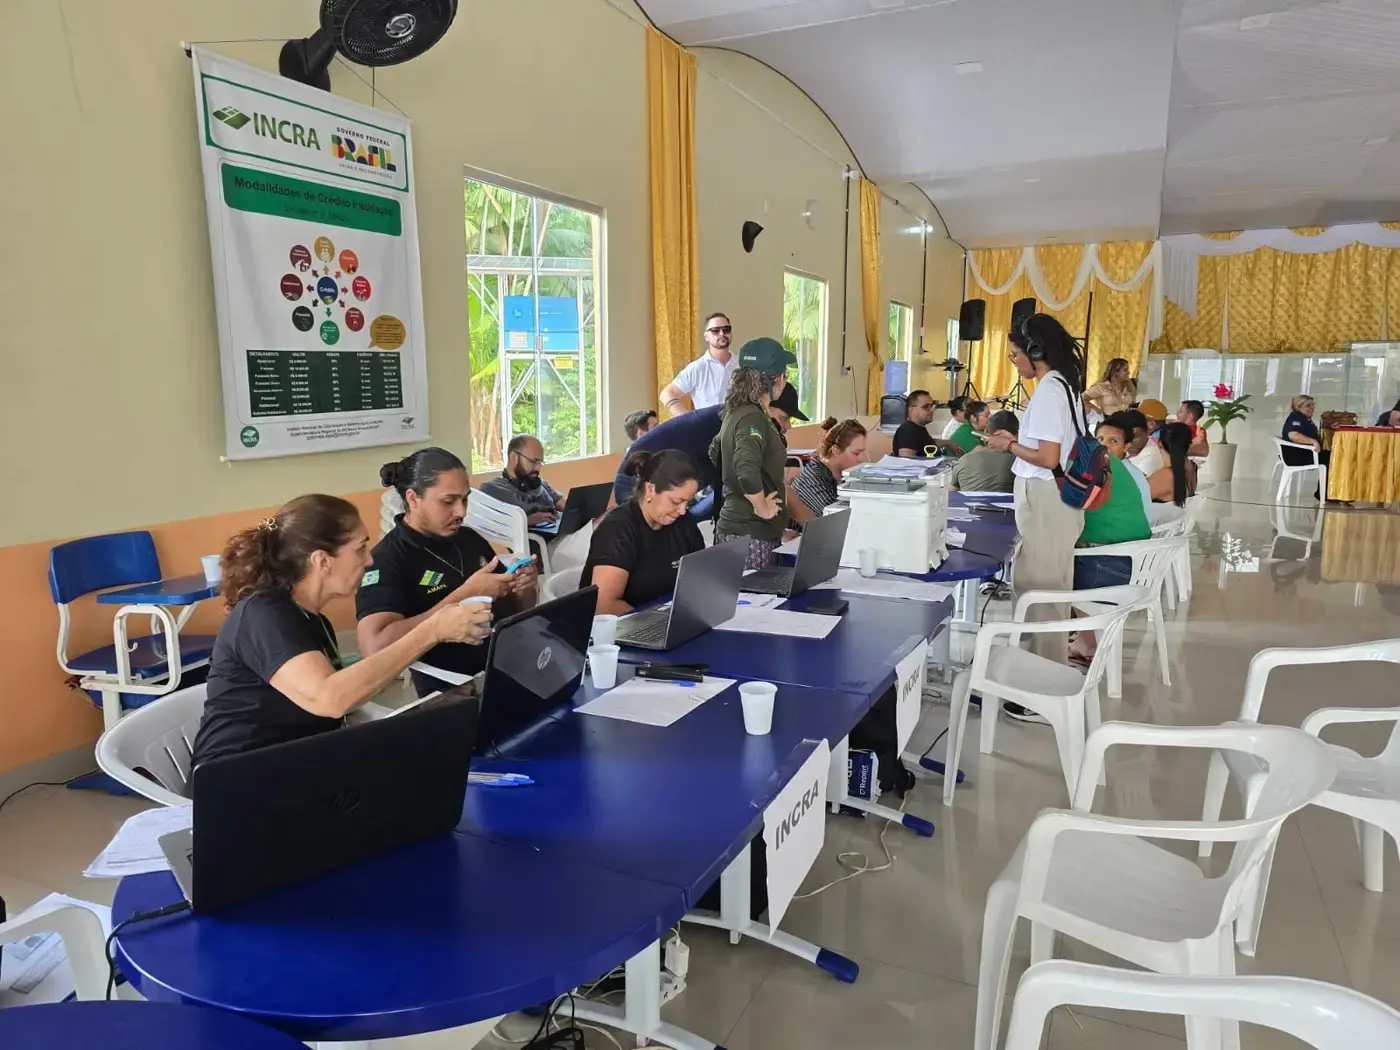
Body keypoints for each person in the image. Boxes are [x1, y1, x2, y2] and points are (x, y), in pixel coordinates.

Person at [191, 494, 492, 766]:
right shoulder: (262, 614)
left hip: (297, 764)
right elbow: (330, 699)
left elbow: (347, 694)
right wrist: (431, 631)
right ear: (322, 561)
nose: (369, 558)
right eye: (360, 548)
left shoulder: (312, 618)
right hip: (236, 781)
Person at [358, 448, 537, 697]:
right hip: (452, 687)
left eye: (465, 499)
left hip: (509, 666)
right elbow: (374, 648)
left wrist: (525, 587)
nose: (461, 512)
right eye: (448, 501)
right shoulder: (387, 561)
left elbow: (520, 608)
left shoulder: (468, 538)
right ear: (413, 499)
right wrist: (465, 594)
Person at [983, 313, 1087, 671]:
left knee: (1040, 594)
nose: (1015, 363)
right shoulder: (1065, 386)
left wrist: (1009, 446)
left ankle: (1043, 681)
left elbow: (1046, 457)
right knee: (1043, 588)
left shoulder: (1048, 392)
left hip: (1045, 497)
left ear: (1035, 351)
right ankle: (1035, 670)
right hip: (1058, 499)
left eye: (1015, 355)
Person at [1067, 423, 1151, 667]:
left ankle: (1087, 642)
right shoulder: (1105, 460)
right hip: (1135, 558)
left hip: (1107, 562)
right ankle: (1085, 637)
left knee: (1052, 563)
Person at [581, 450, 706, 615]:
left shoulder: (682, 521)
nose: (682, 511)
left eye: (688, 503)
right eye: (676, 501)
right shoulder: (617, 529)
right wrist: (657, 622)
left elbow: (701, 576)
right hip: (618, 628)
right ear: (650, 490)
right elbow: (605, 605)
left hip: (664, 618)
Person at [710, 337, 795, 569]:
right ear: (775, 379)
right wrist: (760, 505)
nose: (785, 381)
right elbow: (746, 468)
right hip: (749, 533)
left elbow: (714, 451)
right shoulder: (752, 417)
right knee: (751, 601)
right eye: (785, 375)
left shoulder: (738, 411)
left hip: (743, 530)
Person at [789, 418, 867, 525]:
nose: (862, 459)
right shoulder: (813, 478)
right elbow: (836, 521)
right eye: (856, 453)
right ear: (836, 450)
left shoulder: (840, 474)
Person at [479, 434, 566, 525]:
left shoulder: (541, 485)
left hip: (558, 532)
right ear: (514, 457)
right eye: (533, 461)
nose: (538, 468)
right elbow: (485, 526)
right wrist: (527, 520)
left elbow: (569, 507)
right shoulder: (491, 489)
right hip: (530, 537)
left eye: (540, 462)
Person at [659, 311, 734, 416]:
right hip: (710, 430)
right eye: (715, 331)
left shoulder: (742, 364)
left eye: (726, 329)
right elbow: (666, 394)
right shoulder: (697, 368)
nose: (721, 333)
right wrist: (690, 421)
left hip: (741, 429)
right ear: (706, 336)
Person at [1097, 412, 1153, 518]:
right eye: (1100, 439)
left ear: (1126, 446)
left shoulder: (1131, 475)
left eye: (1113, 441)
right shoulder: (1098, 469)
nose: (1104, 445)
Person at [949, 410, 1016, 493]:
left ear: (986, 433)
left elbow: (951, 492)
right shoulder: (1018, 462)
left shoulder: (964, 459)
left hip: (970, 504)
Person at [1281, 394, 1331, 501]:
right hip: (1296, 456)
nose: (1312, 408)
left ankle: (1327, 493)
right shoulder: (1296, 417)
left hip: (1302, 453)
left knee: (1330, 455)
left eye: (1313, 405)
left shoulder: (1304, 418)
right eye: (1308, 406)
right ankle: (1324, 494)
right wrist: (1313, 442)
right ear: (1299, 407)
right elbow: (1293, 435)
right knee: (1331, 459)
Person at [893, 390, 963, 458]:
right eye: (926, 407)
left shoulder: (918, 428)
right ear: (912, 410)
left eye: (932, 406)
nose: (932, 410)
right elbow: (907, 464)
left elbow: (926, 444)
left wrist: (947, 443)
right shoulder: (908, 430)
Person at [1149, 422, 1196, 507]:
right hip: (1177, 518)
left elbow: (1129, 498)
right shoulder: (1192, 467)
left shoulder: (1166, 475)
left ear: (1159, 444)